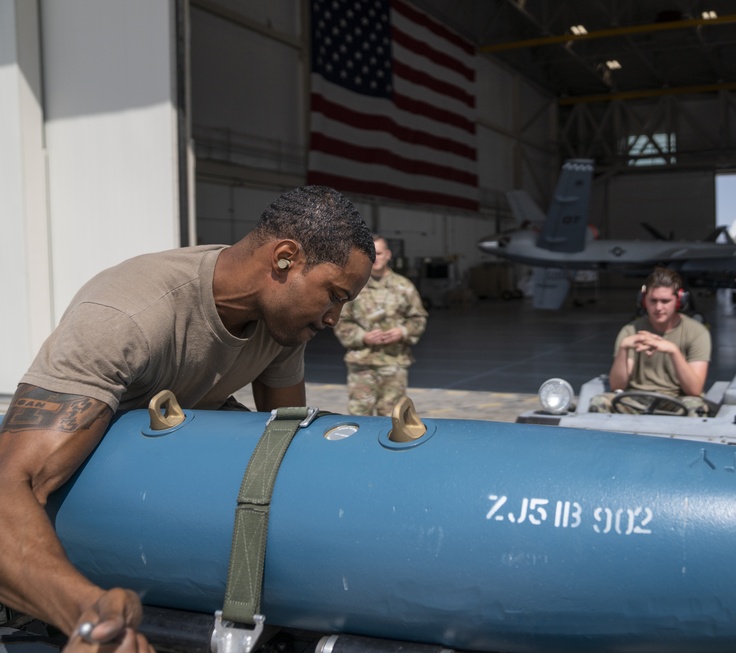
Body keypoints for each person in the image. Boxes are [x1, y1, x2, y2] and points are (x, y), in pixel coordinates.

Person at [0, 185, 375, 652]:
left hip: (166, 455)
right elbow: (10, 485)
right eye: (334, 295)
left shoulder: (284, 323)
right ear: (284, 258)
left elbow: (286, 436)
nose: (335, 318)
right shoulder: (127, 314)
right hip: (81, 483)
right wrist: (87, 615)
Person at [589, 267, 711, 416]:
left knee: (696, 409)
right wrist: (623, 349)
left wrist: (673, 351)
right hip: (633, 399)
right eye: (653, 301)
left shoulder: (697, 332)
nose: (658, 307)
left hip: (677, 401)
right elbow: (617, 386)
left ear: (679, 301)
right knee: (598, 403)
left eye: (665, 301)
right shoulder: (630, 331)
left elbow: (694, 389)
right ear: (644, 301)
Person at [334, 236, 428, 416]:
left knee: (393, 418)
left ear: (388, 255)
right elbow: (340, 320)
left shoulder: (404, 286)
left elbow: (418, 318)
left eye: (379, 253)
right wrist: (363, 337)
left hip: (394, 364)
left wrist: (402, 332)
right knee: (359, 416)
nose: (375, 258)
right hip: (362, 364)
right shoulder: (354, 286)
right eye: (371, 254)